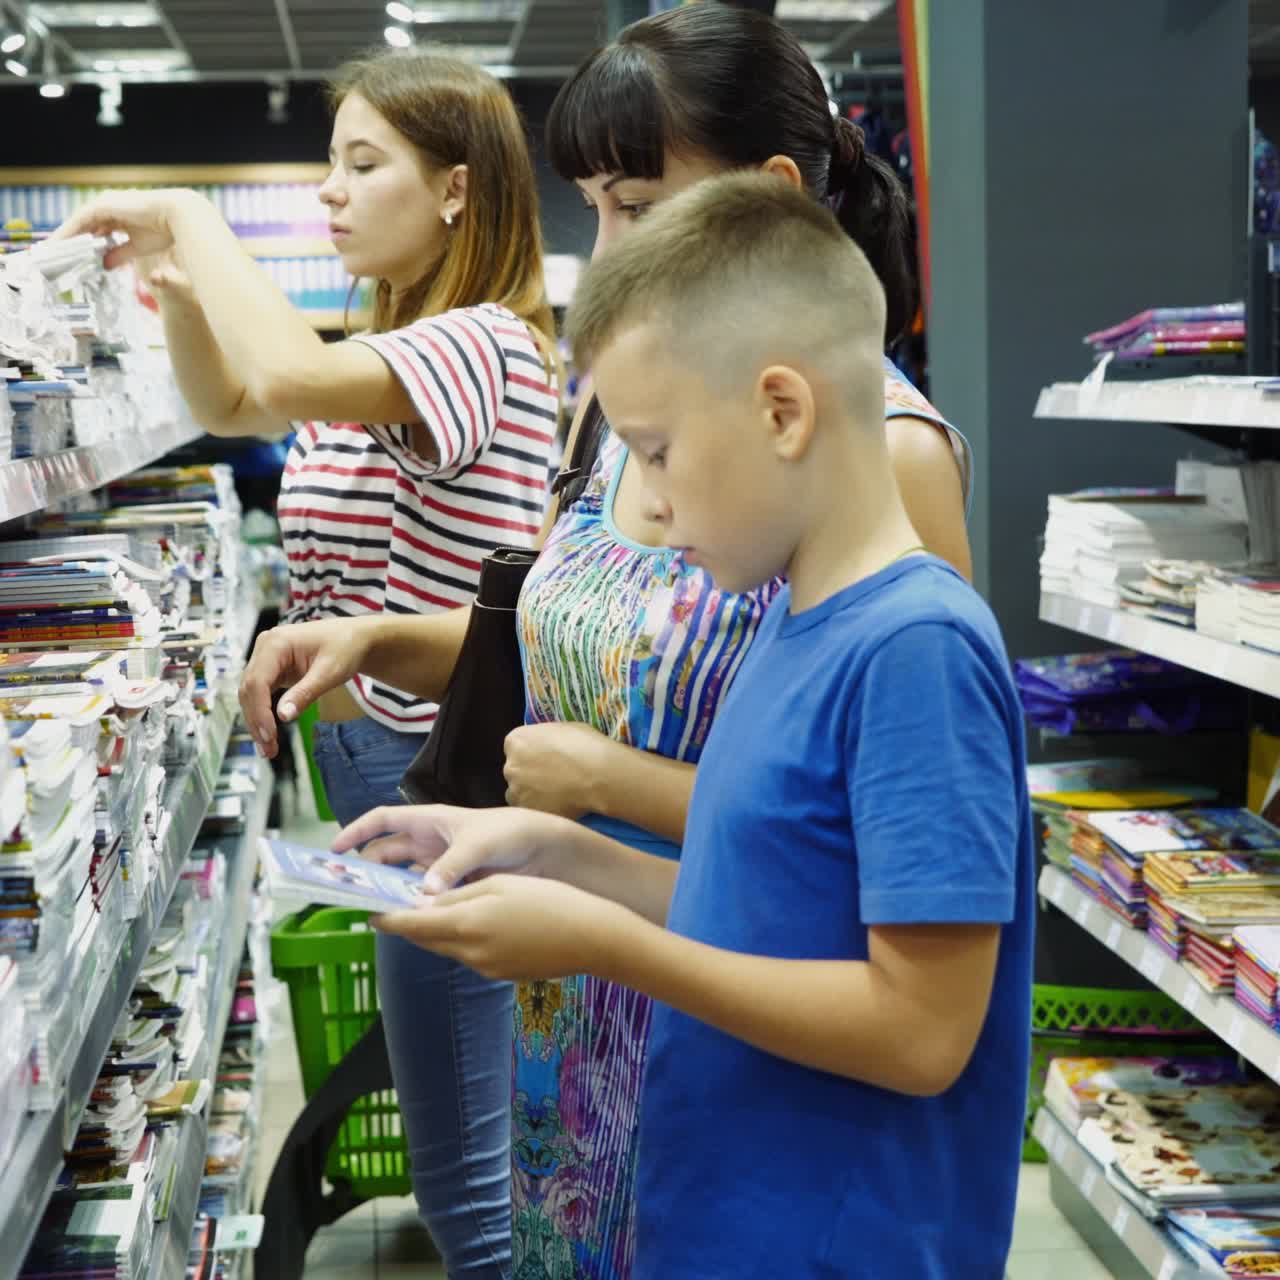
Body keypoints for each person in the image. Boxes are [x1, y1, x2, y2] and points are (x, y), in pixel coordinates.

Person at [238, 7, 974, 1275]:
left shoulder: (886, 587)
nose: (655, 509)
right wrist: (551, 844)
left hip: (759, 1080)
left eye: (635, 204)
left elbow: (870, 929)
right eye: (592, 207)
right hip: (592, 1015)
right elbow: (756, 821)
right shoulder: (665, 434)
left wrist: (598, 816)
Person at [338, 171, 1035, 1280]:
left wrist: (606, 947)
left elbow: (920, 1032)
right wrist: (552, 853)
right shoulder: (791, 618)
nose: (650, 507)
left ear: (781, 411)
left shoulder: (917, 652)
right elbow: (764, 909)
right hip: (720, 1219)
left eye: (658, 452)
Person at [54, 48, 560, 1280]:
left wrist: (187, 211)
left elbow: (279, 374)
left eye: (360, 163)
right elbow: (238, 399)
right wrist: (182, 289)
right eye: (330, 162)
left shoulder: (479, 342)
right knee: (459, 1127)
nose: (329, 191)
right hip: (386, 759)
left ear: (454, 189)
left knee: (466, 1169)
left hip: (436, 768)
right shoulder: (400, 344)